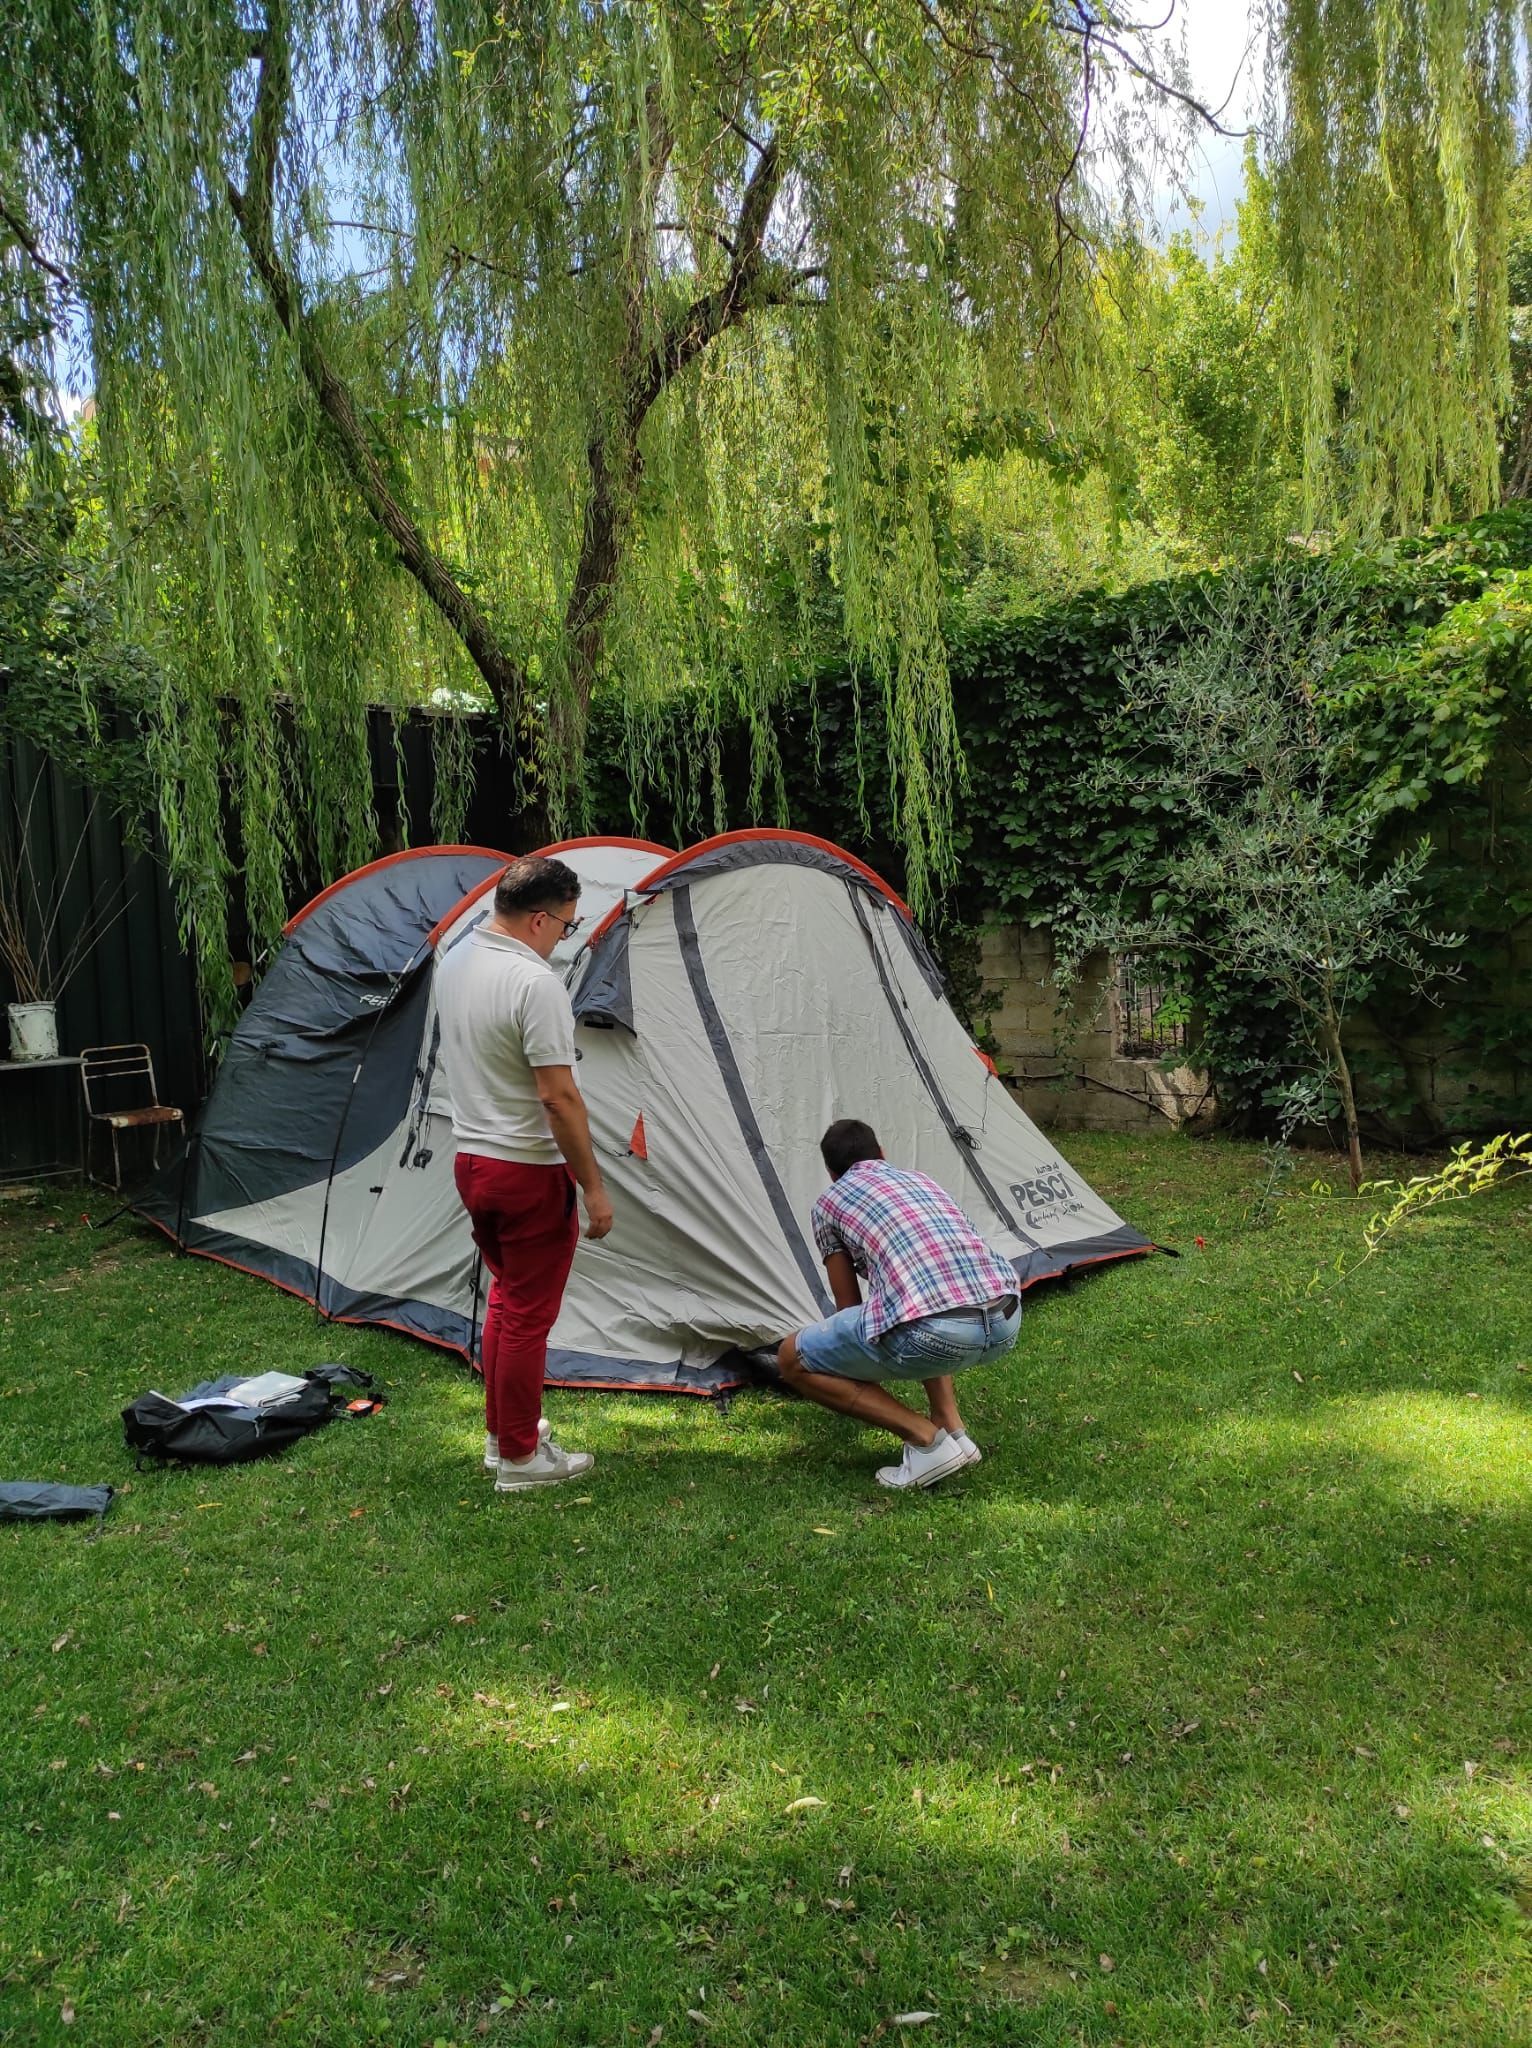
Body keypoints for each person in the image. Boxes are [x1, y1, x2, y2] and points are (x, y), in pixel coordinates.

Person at [435, 854, 614, 1493]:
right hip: (526, 1169)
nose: (563, 938)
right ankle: (518, 1460)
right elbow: (558, 1097)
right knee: (528, 1314)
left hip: (473, 1162)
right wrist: (591, 1185)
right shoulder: (534, 983)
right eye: (566, 927)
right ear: (540, 918)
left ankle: (504, 1435)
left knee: (508, 1302)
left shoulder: (452, 961)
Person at [776, 1119, 1021, 1489]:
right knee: (915, 1302)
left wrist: (846, 1372)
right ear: (883, 1154)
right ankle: (955, 1431)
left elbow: (848, 1306)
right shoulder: (923, 1180)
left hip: (941, 1332)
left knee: (790, 1358)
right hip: (1006, 1318)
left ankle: (926, 1440)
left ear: (831, 1173)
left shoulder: (829, 1202)